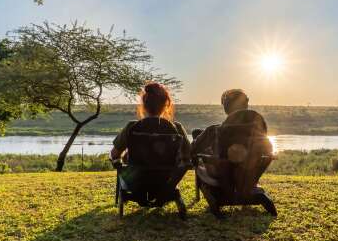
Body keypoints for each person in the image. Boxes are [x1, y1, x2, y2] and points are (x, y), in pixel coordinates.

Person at [192, 89, 276, 217]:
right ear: (246, 104)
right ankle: (245, 189)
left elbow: (193, 150)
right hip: (248, 175)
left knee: (204, 160)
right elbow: (268, 149)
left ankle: (222, 193)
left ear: (226, 107)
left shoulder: (215, 130)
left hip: (223, 177)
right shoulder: (258, 128)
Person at [111, 82, 190, 218]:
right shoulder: (176, 128)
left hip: (136, 183)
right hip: (165, 181)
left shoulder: (132, 127)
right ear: (166, 104)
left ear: (143, 104)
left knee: (122, 162)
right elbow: (187, 157)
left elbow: (115, 154)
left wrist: (121, 158)